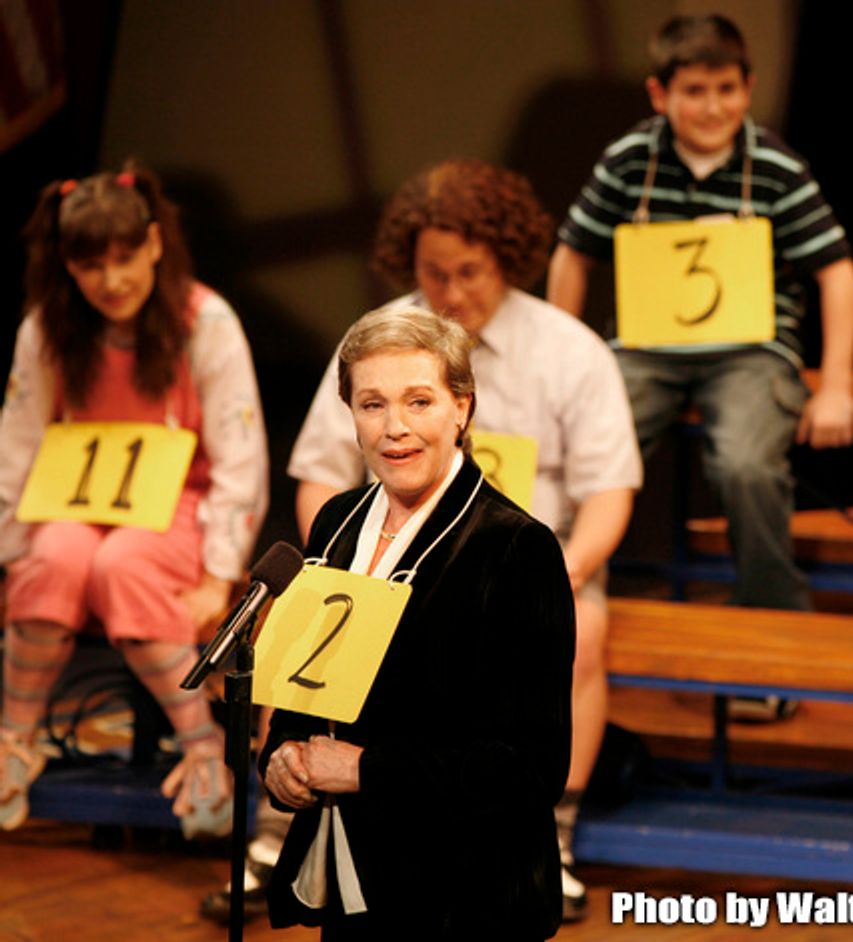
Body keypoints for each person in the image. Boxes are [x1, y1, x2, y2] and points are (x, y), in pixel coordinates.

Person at [284, 159, 641, 921]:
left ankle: (561, 834)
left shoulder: (570, 350)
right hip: (383, 562)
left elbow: (610, 490)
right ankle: (286, 820)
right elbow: (317, 477)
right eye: (433, 273)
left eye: (469, 272)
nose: (451, 291)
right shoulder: (374, 343)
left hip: (533, 562)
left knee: (578, 635)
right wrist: (334, 568)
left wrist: (567, 573)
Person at [260, 305, 574, 939]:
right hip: (356, 878)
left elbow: (532, 769)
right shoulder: (336, 523)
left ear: (462, 408)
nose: (394, 428)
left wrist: (365, 770)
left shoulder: (517, 548)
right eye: (372, 404)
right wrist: (283, 757)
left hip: (469, 896)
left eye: (419, 402)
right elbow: (306, 694)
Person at [547, 14, 853, 623]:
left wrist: (837, 385)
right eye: (694, 91)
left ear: (748, 88)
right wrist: (564, 361)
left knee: (746, 463)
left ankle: (773, 611)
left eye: (727, 90)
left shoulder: (775, 167)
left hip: (751, 351)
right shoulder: (629, 160)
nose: (713, 107)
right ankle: (565, 585)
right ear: (659, 94)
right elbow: (572, 254)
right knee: (584, 441)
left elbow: (838, 273)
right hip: (645, 346)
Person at [0, 164, 268, 836]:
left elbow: (241, 452)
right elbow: (17, 442)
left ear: (153, 243)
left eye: (124, 259)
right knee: (53, 557)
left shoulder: (204, 321)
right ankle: (14, 738)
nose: (112, 281)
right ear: (67, 265)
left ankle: (202, 744)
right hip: (74, 506)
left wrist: (218, 572)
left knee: (124, 563)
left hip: (179, 509)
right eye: (91, 265)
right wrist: (10, 552)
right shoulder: (48, 328)